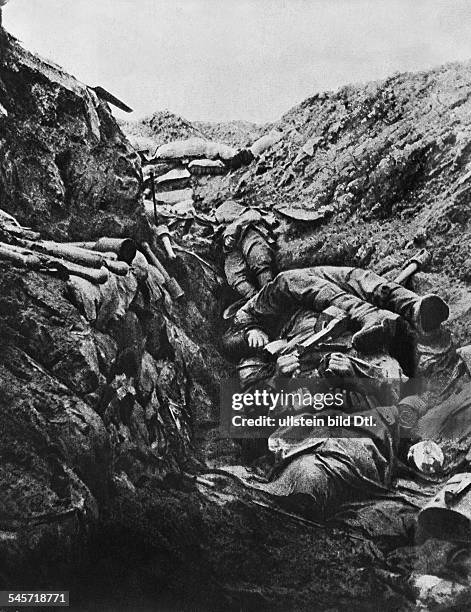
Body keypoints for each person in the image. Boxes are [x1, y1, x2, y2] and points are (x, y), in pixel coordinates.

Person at [223, 266, 449, 356]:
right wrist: (248, 334)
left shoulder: (257, 304)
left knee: (361, 280)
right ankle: (385, 318)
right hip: (313, 310)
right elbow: (226, 344)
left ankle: (413, 307)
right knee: (357, 284)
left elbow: (286, 283)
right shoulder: (246, 321)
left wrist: (248, 328)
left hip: (313, 284)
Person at [213, 200, 278, 299]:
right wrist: (226, 243)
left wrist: (234, 227)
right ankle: (256, 300)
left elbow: (254, 215)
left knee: (259, 258)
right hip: (231, 247)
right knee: (234, 276)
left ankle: (268, 296)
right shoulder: (212, 220)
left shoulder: (238, 210)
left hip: (247, 232)